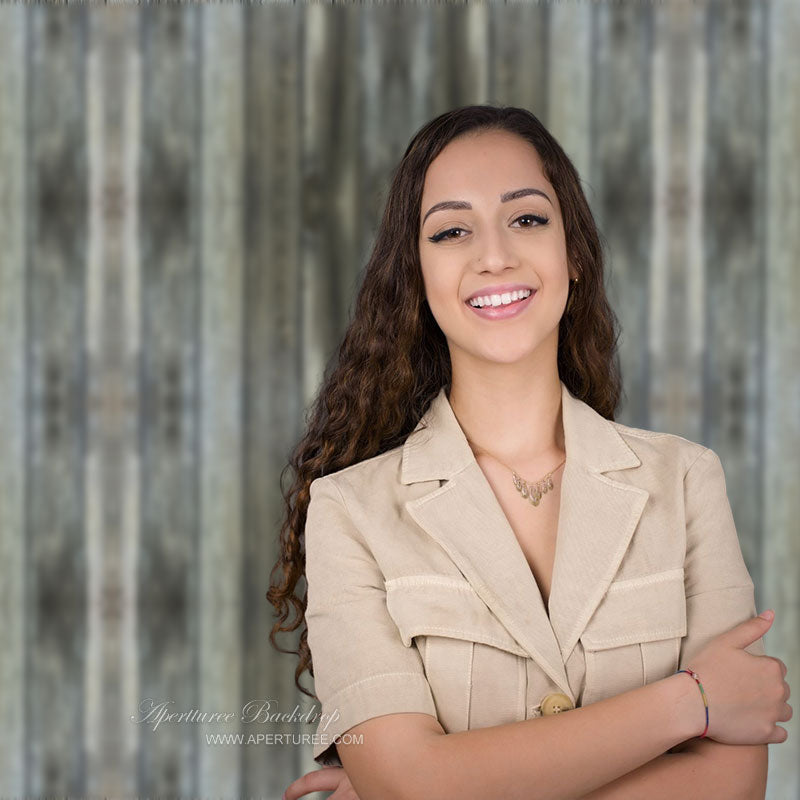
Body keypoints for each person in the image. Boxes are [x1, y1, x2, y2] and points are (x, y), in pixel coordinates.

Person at [269, 105, 791, 800]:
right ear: (416, 278)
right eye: (452, 231)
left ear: (572, 252)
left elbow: (731, 787)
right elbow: (410, 785)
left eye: (527, 219)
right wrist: (690, 703)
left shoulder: (687, 482)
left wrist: (441, 783)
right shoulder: (348, 512)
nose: (494, 255)